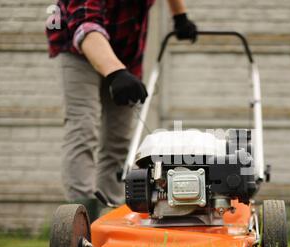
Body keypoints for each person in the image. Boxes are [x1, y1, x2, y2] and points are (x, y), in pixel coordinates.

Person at [46, 0, 197, 221]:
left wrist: (180, 17)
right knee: (83, 126)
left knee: (119, 138)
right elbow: (85, 25)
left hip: (126, 49)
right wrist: (116, 73)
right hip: (76, 46)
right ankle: (77, 218)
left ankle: (109, 215)